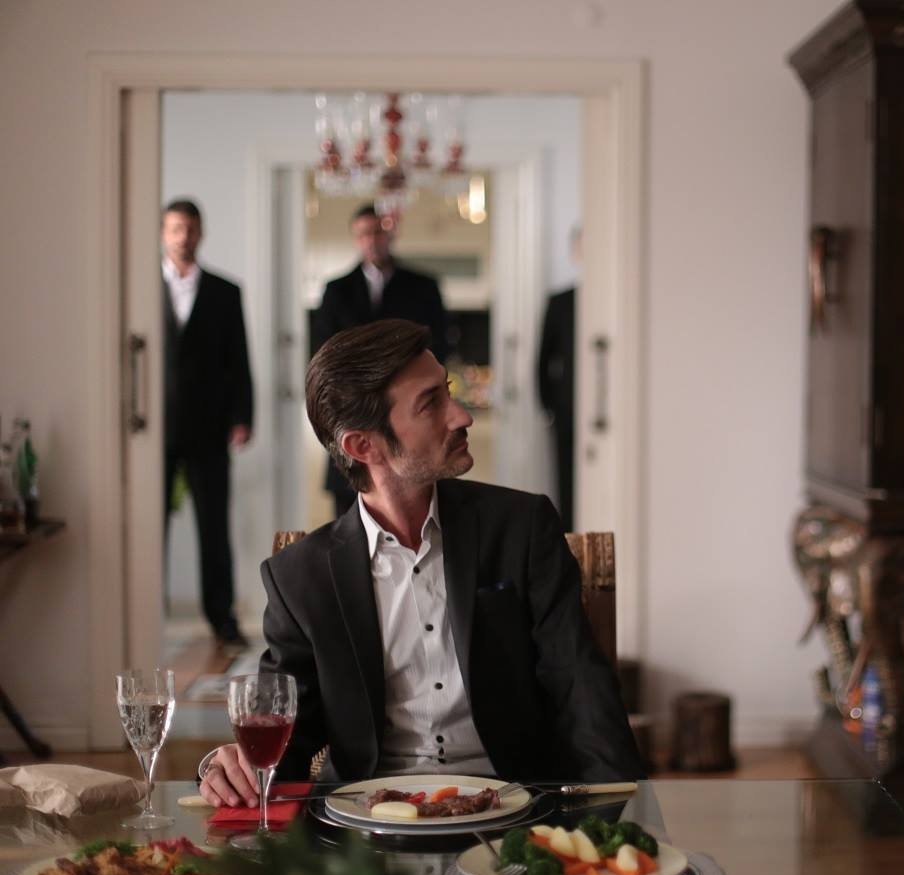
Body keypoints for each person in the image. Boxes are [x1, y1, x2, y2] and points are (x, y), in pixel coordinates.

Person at [198, 319, 642, 807]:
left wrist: (616, 813)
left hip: (515, 811)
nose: (461, 416)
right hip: (364, 828)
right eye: (431, 404)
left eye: (447, 392)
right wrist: (229, 767)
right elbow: (286, 735)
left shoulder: (522, 527)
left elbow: (580, 686)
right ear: (363, 446)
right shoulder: (298, 578)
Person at [312, 204, 449, 518]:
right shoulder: (336, 291)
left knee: (412, 502)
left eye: (377, 232)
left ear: (391, 234)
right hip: (353, 409)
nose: (371, 240)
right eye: (363, 234)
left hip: (409, 408)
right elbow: (325, 355)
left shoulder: (423, 287)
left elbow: (438, 348)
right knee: (348, 512)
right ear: (355, 239)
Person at [161, 198, 254, 650]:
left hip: (210, 427)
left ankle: (222, 619)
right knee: (149, 524)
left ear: (201, 233)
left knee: (214, 528)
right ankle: (146, 611)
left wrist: (243, 417)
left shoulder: (224, 291)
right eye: (176, 228)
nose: (184, 237)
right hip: (152, 430)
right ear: (164, 233)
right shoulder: (138, 288)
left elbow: (239, 359)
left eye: (191, 229)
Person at [537, 226, 581, 531]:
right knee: (566, 482)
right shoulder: (560, 302)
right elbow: (543, 360)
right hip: (566, 410)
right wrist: (549, 407)